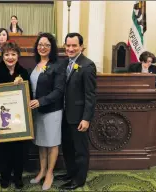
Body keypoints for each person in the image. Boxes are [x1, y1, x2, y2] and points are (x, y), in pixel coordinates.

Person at [0, 41, 30, 189]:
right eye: (7, 54)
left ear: (18, 55)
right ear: (2, 55)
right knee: (4, 151)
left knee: (19, 151)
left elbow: (29, 96)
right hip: (1, 119)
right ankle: (5, 177)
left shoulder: (24, 72)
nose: (10, 57)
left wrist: (22, 85)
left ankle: (18, 177)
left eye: (13, 54)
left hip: (19, 120)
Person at [56, 32, 97, 190]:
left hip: (79, 117)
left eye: (74, 45)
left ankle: (79, 179)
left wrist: (86, 118)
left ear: (81, 47)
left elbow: (90, 95)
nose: (70, 48)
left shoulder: (87, 65)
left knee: (80, 150)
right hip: (65, 115)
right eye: (68, 45)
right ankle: (70, 173)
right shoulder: (65, 63)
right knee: (67, 147)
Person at [28, 33, 66, 191]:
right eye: (40, 44)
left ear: (52, 48)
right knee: (41, 143)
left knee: (52, 143)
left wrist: (41, 101)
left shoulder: (57, 65)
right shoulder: (35, 64)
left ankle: (50, 173)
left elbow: (59, 91)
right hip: (37, 111)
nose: (42, 47)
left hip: (52, 110)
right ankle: (42, 171)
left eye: (47, 45)